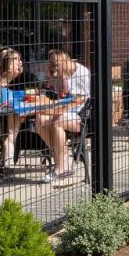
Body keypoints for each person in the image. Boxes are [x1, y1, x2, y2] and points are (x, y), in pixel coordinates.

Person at [35, 50, 90, 181]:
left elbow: (78, 101)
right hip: (66, 112)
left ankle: (60, 168)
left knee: (57, 121)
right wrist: (49, 78)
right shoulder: (62, 73)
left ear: (63, 62)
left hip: (81, 115)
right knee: (39, 119)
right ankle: (64, 158)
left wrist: (54, 109)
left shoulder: (81, 73)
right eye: (51, 65)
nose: (53, 68)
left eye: (55, 64)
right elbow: (51, 93)